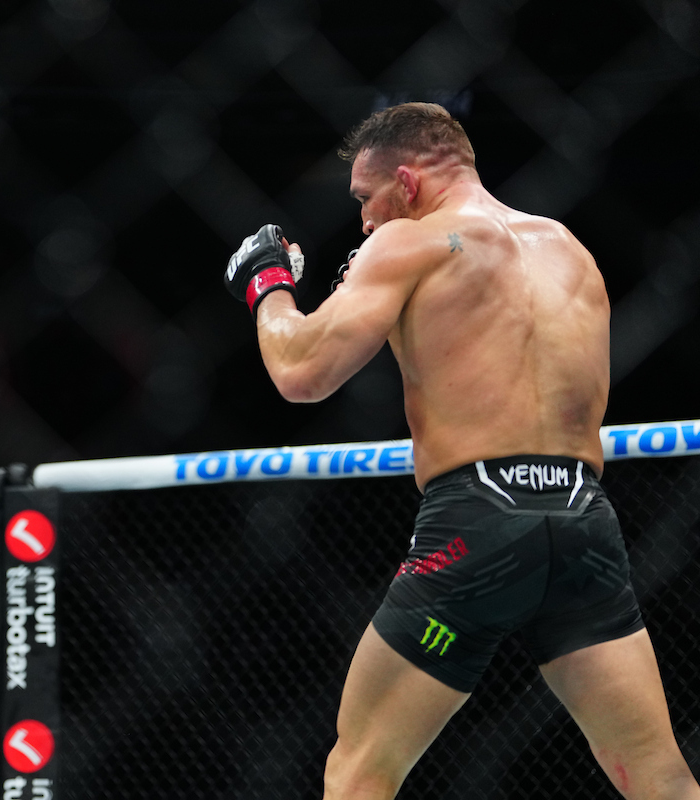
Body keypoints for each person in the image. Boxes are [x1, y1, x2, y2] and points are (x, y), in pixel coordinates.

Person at [224, 103, 700, 799]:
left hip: (477, 527)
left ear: (407, 183)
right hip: (583, 530)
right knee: (659, 775)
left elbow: (302, 373)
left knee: (361, 769)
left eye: (365, 199)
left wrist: (267, 285)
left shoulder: (411, 241)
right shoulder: (568, 248)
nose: (364, 222)